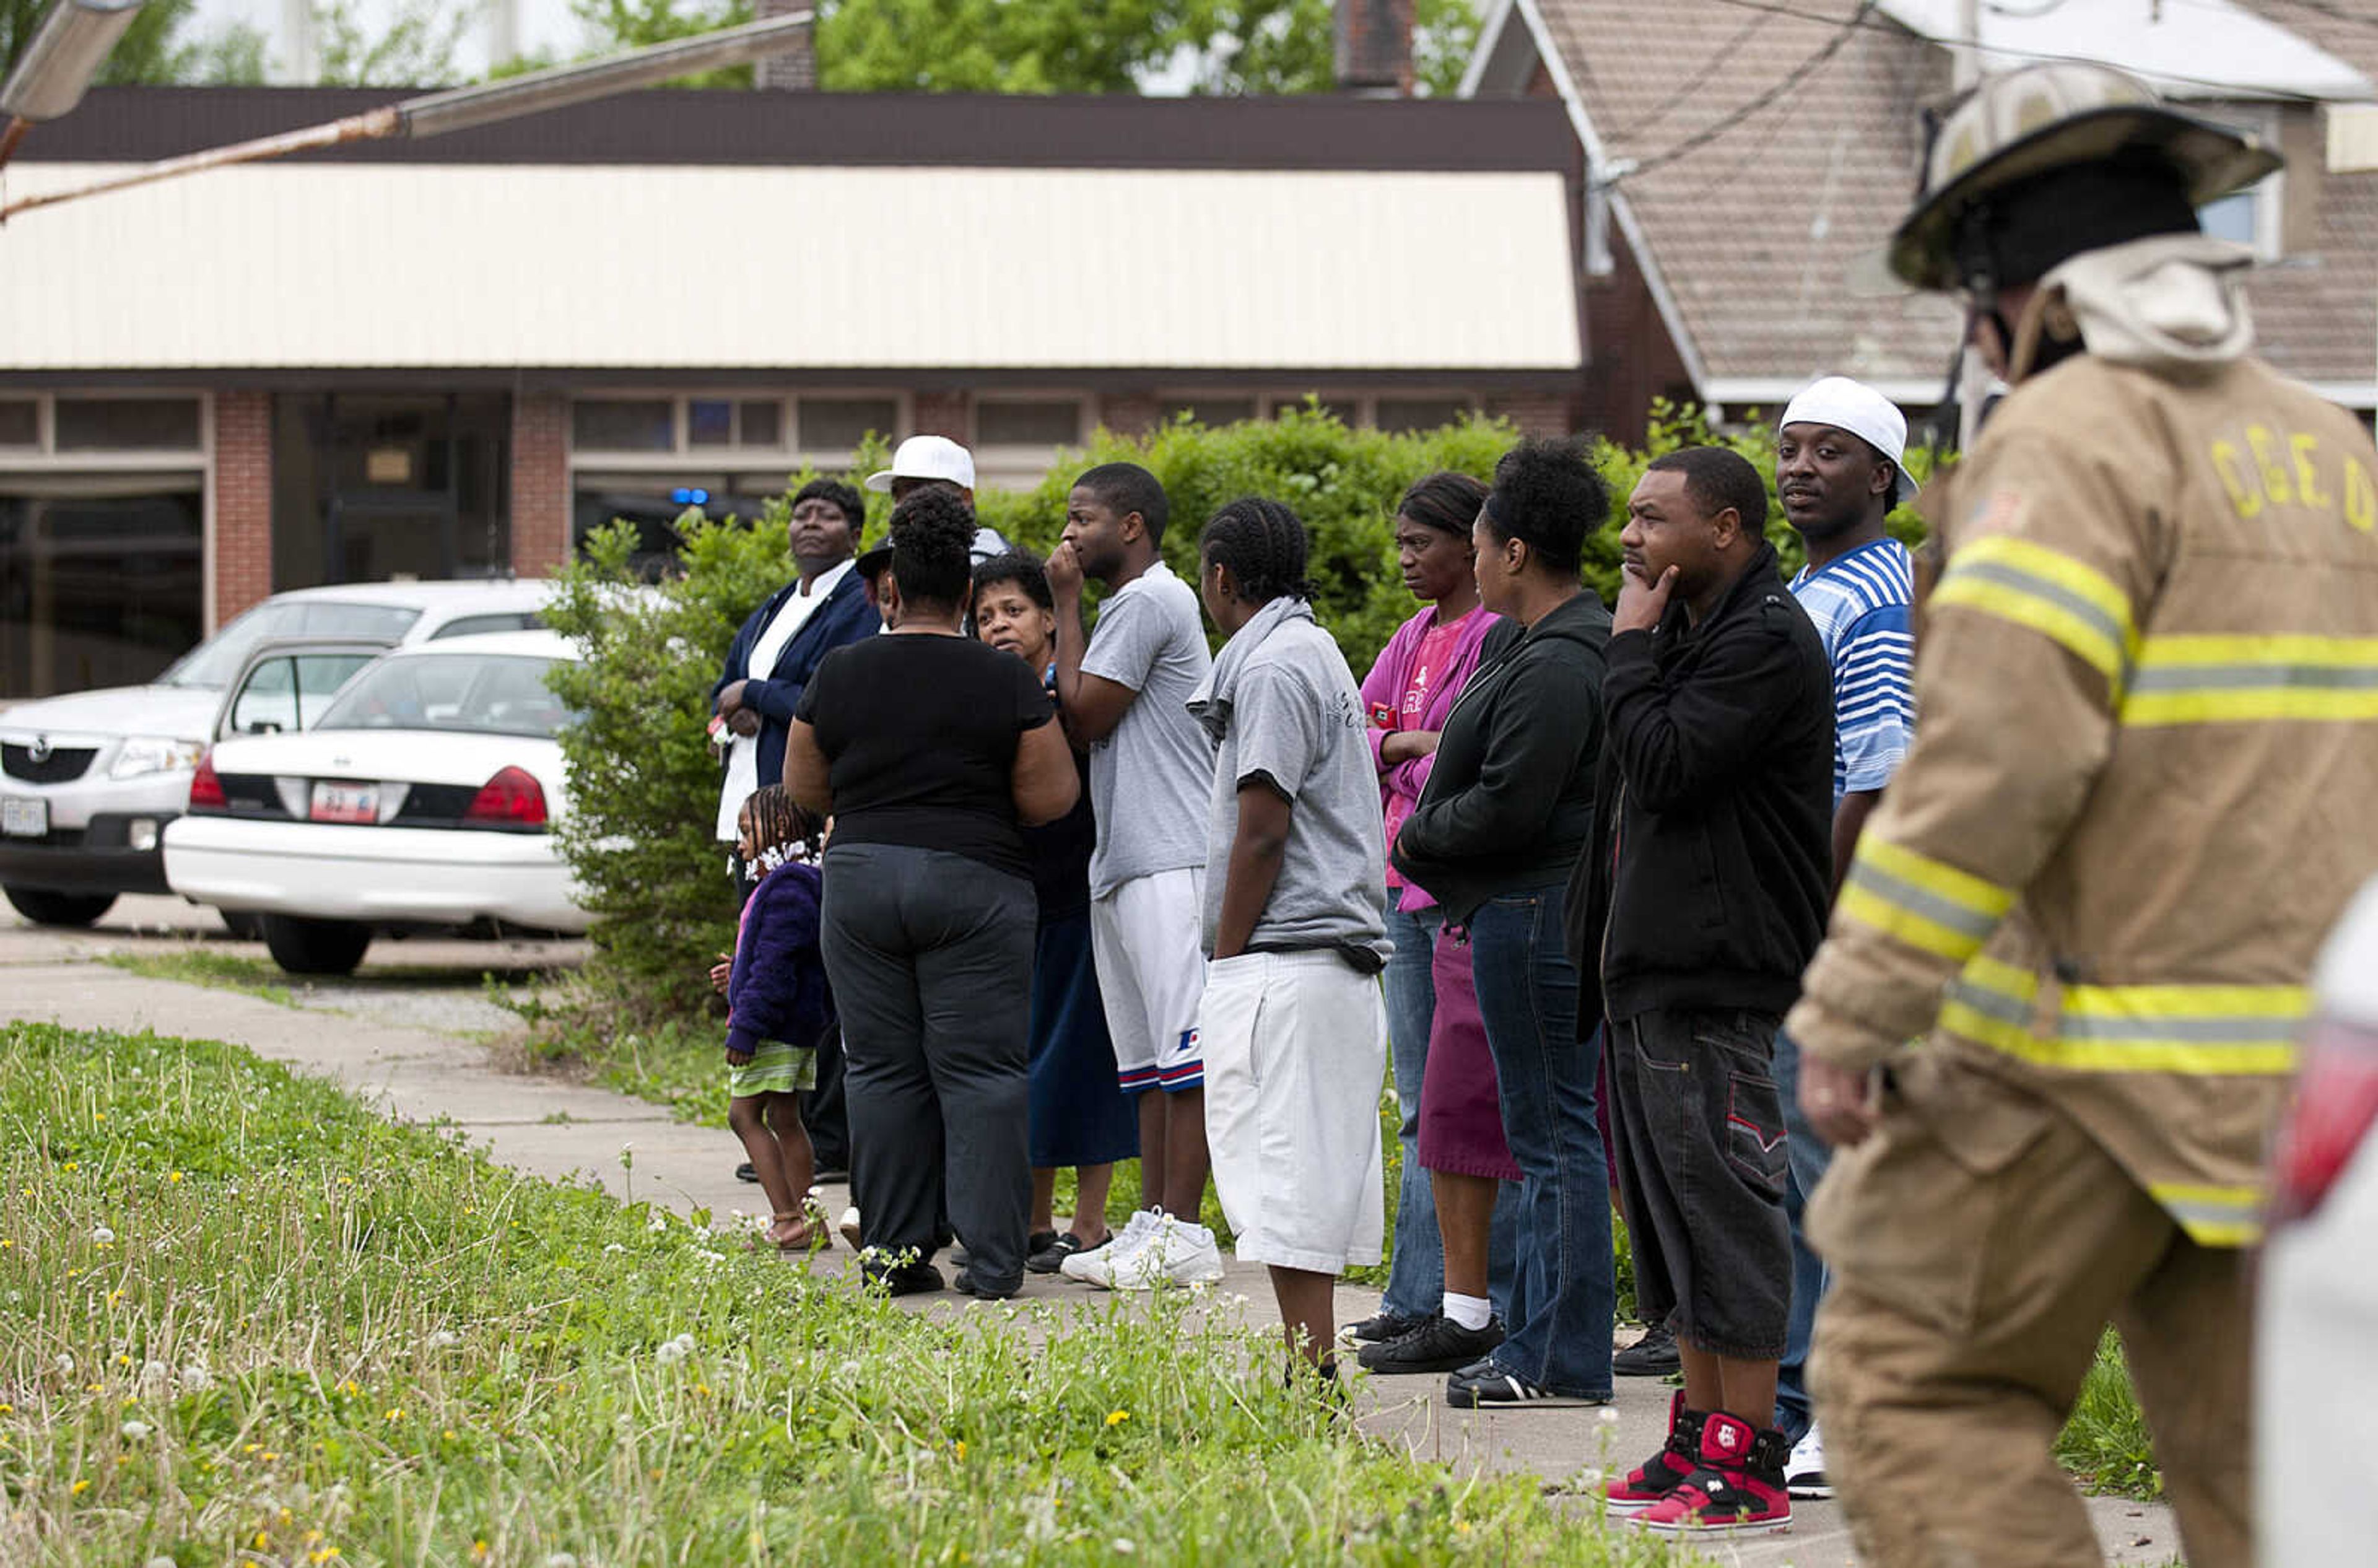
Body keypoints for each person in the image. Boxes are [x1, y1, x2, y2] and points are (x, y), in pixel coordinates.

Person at [1789, 64, 2378, 1568]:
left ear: (2019, 298)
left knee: (1909, 1380)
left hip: (2077, 1064)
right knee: (2279, 1491)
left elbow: (1995, 758)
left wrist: (1856, 1010)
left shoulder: (2064, 441)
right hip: (2306, 1083)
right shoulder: (2330, 449)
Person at [1579, 445, 1832, 1536]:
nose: (1631, 538)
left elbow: (1671, 763)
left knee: (1730, 1212)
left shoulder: (1763, 637)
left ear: (1724, 528)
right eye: (1629, 519)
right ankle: (1697, 1439)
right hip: (1655, 970)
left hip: (1723, 975)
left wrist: (1629, 649)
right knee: (1676, 1219)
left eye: (1652, 519)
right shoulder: (1693, 629)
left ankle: (1751, 1455)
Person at [783, 488, 1081, 1300]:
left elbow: (803, 784)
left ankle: (892, 1256)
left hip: (864, 882)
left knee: (880, 1070)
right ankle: (990, 1265)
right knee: (983, 1071)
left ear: (888, 590)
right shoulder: (1002, 679)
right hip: (977, 882)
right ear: (965, 594)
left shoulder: (839, 672)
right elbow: (1053, 796)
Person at [1389, 440, 1616, 1406]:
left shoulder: (1563, 661)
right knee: (1545, 1139)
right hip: (1522, 910)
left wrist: (1417, 842)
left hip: (1535, 913)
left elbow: (1508, 805)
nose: (1473, 559)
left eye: (1478, 541)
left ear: (1514, 551)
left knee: (1556, 1142)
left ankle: (1556, 1359)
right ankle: (1545, 1346)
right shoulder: (1533, 646)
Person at [1187, 497, 1392, 1374]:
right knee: (1298, 1175)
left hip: (1288, 956)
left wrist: (1228, 954)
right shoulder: (1314, 649)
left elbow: (1263, 827)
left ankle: (1310, 1374)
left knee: (1286, 1174)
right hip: (1323, 965)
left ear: (1223, 577)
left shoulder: (1271, 666)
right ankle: (1303, 1365)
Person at [1766, 374, 1919, 1497]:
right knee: (1790, 1174)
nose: (1801, 466)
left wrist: (1816, 928)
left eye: (1831, 450)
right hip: (1786, 915)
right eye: (1789, 447)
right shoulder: (1809, 587)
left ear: (1884, 477)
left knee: (1831, 1178)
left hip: (1823, 923)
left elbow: (1873, 779)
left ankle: (1841, 1410)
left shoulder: (1878, 593)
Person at [1341, 471, 1521, 1352]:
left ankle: (1480, 1300)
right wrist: (1408, 745)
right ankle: (1420, 1296)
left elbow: (1473, 755)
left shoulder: (1497, 636)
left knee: (1474, 1104)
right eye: (1401, 542)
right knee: (1419, 1105)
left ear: (1471, 543)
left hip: (1456, 890)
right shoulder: (1411, 636)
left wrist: (1405, 753)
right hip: (1400, 885)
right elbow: (1354, 734)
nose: (1406, 558)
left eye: (1423, 543)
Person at [1045, 462, 1222, 1289]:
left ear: (1133, 527)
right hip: (1128, 857)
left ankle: (1185, 1231)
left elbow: (1082, 714)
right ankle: (1153, 1222)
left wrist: (1066, 606)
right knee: (1149, 1060)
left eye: (1084, 518)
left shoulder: (1151, 600)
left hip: (1170, 857)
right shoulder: (1134, 605)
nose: (1071, 533)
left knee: (1182, 1055)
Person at [972, 549, 1140, 1273]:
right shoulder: (984, 691)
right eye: (984, 617)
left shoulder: (1065, 690)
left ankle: (1091, 1220)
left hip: (1077, 887)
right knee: (1025, 1053)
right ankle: (1035, 1218)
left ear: (1047, 617)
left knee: (1085, 1054)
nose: (999, 626)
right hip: (1014, 895)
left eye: (1013, 611)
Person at [712, 477, 875, 1184]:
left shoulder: (853, 603)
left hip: (805, 815)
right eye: (801, 514)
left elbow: (825, 689)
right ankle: (787, 1119)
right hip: (754, 809)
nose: (810, 524)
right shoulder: (781, 602)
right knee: (761, 952)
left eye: (828, 515)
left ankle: (821, 1133)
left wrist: (757, 696)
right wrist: (736, 705)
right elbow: (725, 682)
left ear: (855, 532)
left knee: (807, 965)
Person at [719, 785, 835, 1253]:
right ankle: (809, 1220)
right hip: (791, 1025)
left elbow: (775, 968)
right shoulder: (798, 882)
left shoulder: (786, 887)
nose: (741, 841)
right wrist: (735, 973)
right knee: (785, 1117)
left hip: (774, 1028)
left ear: (782, 828)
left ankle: (788, 1218)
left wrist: (746, 1026)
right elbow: (772, 958)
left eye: (748, 830)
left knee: (743, 1115)